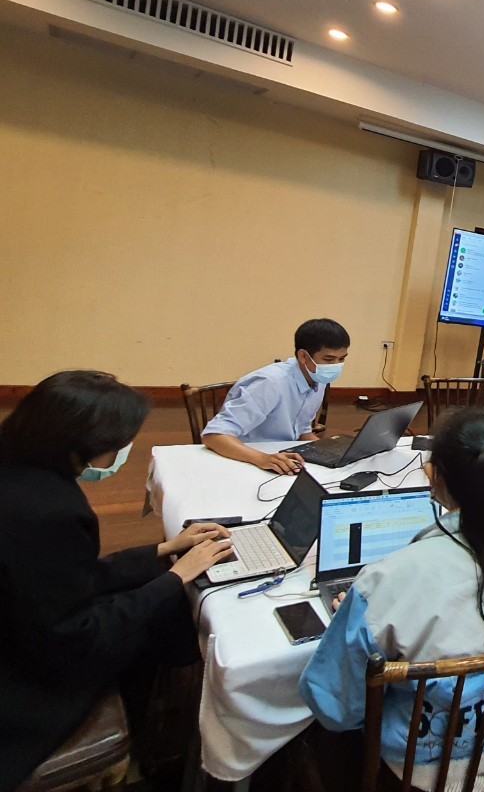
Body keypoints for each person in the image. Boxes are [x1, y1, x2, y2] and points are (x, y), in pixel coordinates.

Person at [301, 408, 484, 788]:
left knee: (320, 735)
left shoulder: (387, 581)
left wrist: (360, 619)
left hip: (417, 775)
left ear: (433, 475)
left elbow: (336, 708)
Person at [0, 371, 234, 791]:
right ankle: (162, 748)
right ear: (82, 444)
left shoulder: (19, 470)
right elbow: (75, 635)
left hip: (25, 624)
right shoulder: (49, 509)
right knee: (163, 614)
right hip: (24, 680)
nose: (123, 451)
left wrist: (164, 550)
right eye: (120, 443)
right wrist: (178, 574)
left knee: (159, 590)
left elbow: (62, 574)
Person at [202, 318, 351, 474]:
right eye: (328, 359)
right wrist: (262, 459)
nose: (336, 366)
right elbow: (214, 435)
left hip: (281, 457)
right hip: (246, 459)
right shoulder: (270, 383)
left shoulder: (317, 378)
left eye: (342, 359)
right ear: (303, 356)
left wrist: (331, 452)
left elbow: (301, 430)